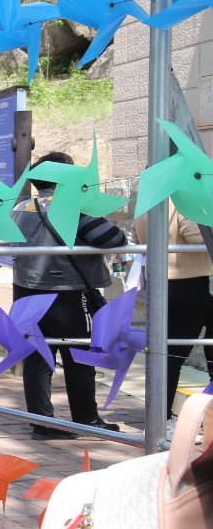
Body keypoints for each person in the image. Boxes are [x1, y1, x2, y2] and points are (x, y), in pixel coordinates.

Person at [13, 152, 129, 440]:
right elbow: (113, 239)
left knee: (38, 358)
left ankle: (41, 422)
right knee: (79, 356)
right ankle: (85, 418)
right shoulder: (71, 209)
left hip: (26, 291)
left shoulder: (19, 208)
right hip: (67, 292)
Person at [136, 203, 213, 439]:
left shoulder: (154, 194)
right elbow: (195, 235)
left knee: (167, 354)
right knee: (171, 356)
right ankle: (161, 421)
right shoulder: (185, 197)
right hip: (186, 283)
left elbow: (136, 230)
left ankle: (162, 418)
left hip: (165, 281)